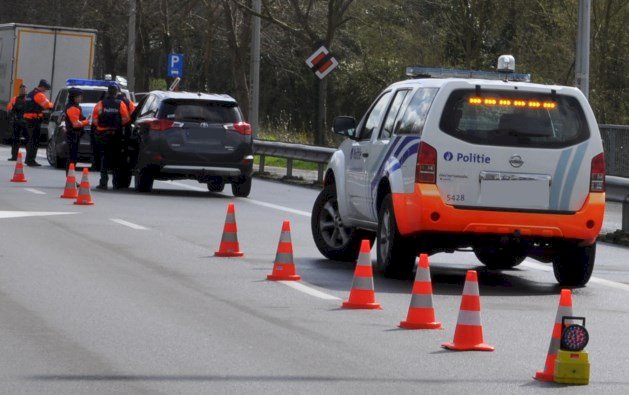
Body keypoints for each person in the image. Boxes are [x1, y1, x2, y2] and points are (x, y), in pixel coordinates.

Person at [91, 85, 130, 190]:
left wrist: (102, 126)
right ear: (116, 93)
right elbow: (126, 118)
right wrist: (117, 125)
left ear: (108, 92)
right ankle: (116, 184)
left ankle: (103, 183)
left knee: (104, 158)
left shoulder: (100, 104)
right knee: (116, 158)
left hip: (102, 135)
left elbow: (94, 120)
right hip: (116, 135)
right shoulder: (120, 103)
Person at [23, 79, 54, 166]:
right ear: (42, 87)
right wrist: (54, 106)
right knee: (34, 141)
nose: (46, 91)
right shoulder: (39, 95)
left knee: (30, 140)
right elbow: (48, 105)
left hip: (28, 120)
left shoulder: (30, 93)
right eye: (46, 89)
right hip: (34, 121)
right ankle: (31, 160)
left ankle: (28, 159)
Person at [63, 88, 89, 173]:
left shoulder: (75, 107)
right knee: (72, 158)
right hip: (73, 135)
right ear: (74, 98)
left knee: (73, 157)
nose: (81, 98)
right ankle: (70, 177)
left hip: (74, 135)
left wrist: (85, 119)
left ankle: (71, 177)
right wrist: (87, 122)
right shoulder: (72, 108)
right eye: (79, 97)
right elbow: (76, 124)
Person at [6, 84, 27, 161]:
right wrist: (12, 117)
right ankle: (14, 156)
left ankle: (28, 158)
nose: (23, 91)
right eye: (22, 90)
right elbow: (9, 109)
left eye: (24, 90)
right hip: (17, 122)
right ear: (19, 90)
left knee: (28, 140)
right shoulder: (15, 99)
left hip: (26, 123)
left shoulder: (28, 99)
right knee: (15, 140)